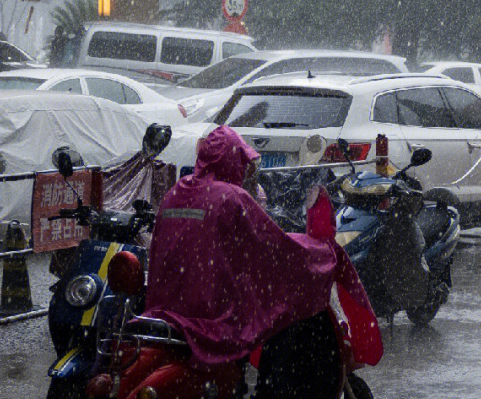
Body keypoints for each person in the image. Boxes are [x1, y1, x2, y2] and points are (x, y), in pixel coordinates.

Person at [143, 125, 381, 368]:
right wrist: (319, 252)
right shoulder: (232, 197)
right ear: (234, 161)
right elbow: (274, 246)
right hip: (214, 316)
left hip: (166, 308)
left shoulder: (177, 191)